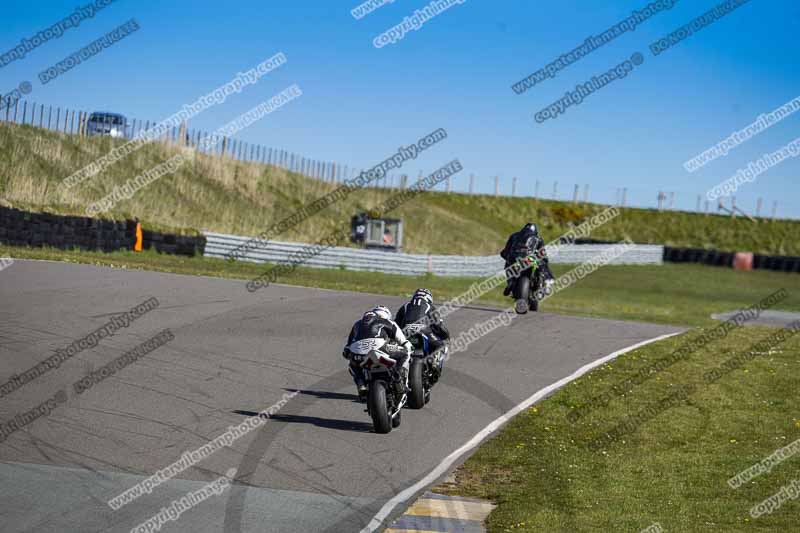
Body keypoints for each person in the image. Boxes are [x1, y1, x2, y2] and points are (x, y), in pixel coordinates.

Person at [343, 306, 412, 400]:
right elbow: (403, 341)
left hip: (358, 353)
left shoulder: (357, 324)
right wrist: (406, 346)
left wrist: (350, 354)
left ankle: (361, 384)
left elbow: (346, 349)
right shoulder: (387, 322)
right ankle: (398, 378)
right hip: (380, 348)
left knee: (352, 364)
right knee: (405, 353)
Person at [394, 288, 450, 378]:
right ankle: (434, 361)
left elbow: (395, 324)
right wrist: (446, 336)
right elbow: (439, 325)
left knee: (395, 348)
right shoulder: (429, 306)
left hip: (405, 332)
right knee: (441, 345)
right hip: (423, 330)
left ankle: (396, 367)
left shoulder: (405, 306)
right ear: (429, 298)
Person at [500, 223, 554, 296]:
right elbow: (543, 253)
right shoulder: (538, 238)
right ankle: (547, 282)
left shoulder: (514, 236)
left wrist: (506, 255)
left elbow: (505, 251)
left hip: (515, 258)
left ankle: (510, 283)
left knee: (508, 262)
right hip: (529, 259)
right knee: (543, 263)